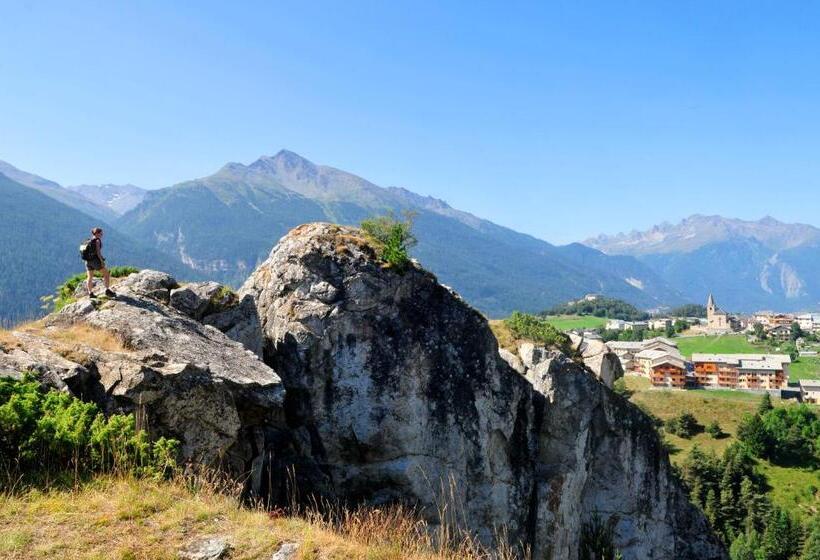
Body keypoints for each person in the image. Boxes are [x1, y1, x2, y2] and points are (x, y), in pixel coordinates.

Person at [85, 227, 116, 298]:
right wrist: (102, 261)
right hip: (95, 261)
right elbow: (98, 253)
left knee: (89, 277)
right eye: (101, 233)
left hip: (87, 261)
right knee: (106, 274)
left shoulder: (88, 240)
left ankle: (90, 293)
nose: (102, 234)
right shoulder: (97, 241)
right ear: (97, 233)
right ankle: (107, 290)